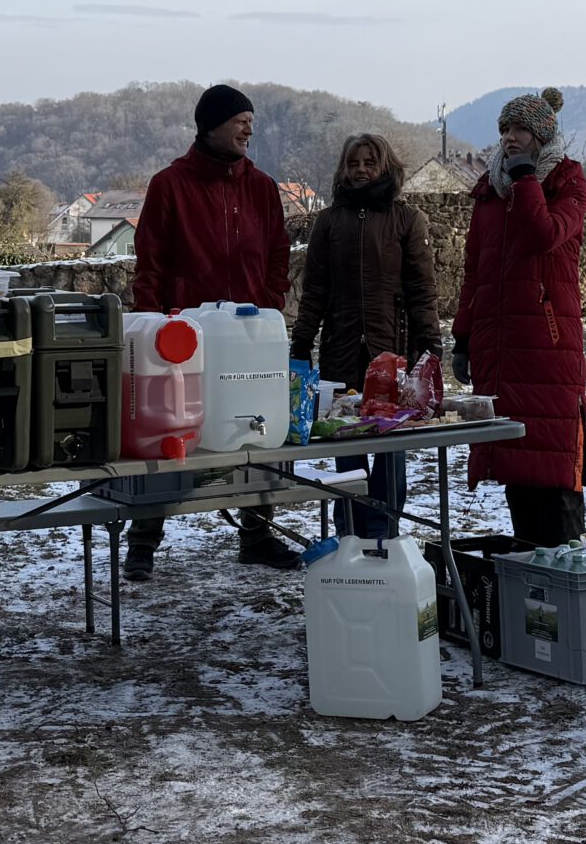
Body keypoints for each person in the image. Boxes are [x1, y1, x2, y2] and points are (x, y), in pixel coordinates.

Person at [126, 83, 297, 581]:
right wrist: (152, 326)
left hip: (248, 337)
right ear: (211, 126)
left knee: (256, 426)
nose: (249, 130)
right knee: (168, 432)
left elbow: (278, 252)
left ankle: (257, 533)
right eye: (240, 121)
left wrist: (269, 305)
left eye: (251, 122)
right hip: (182, 339)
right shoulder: (170, 185)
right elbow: (150, 262)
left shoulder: (262, 187)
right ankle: (143, 540)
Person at [451, 87, 586, 547]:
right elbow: (475, 270)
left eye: (520, 129)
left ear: (542, 135)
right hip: (500, 347)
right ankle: (529, 572)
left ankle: (568, 567)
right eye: (505, 129)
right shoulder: (489, 190)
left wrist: (526, 179)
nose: (510, 138)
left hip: (547, 346)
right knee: (515, 463)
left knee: (552, 466)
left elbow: (543, 235)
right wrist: (463, 336)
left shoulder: (568, 180)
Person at [290, 133, 440, 539]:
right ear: (344, 169)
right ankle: (352, 534)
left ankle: (385, 534)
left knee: (390, 451)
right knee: (347, 449)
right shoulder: (328, 222)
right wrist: (301, 342)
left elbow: (422, 291)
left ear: (385, 167)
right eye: (354, 163)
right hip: (340, 351)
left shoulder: (407, 219)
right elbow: (314, 291)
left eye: (370, 162)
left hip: (393, 352)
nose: (361, 170)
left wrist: (430, 348)